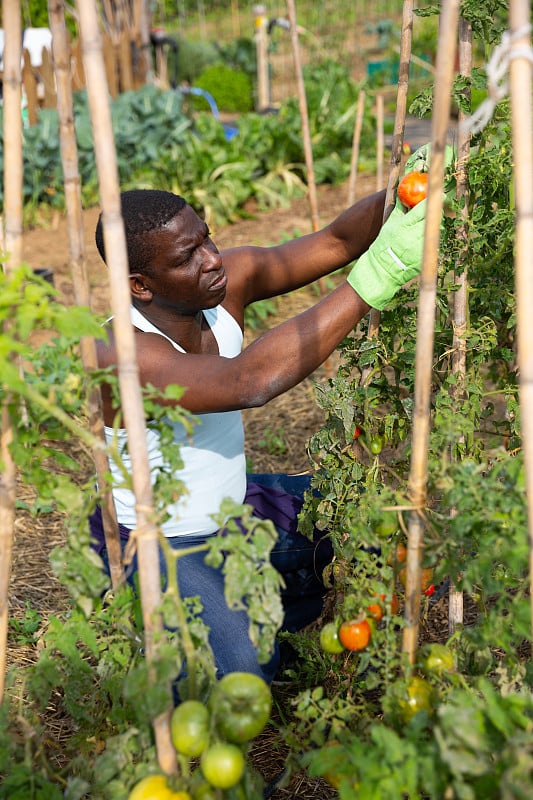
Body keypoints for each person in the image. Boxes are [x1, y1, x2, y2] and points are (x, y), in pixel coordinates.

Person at [89, 155, 429, 684]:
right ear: (139, 285)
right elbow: (247, 383)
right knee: (244, 672)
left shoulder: (228, 281)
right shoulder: (121, 353)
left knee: (381, 518)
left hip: (236, 510)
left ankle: (268, 614)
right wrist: (377, 277)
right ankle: (199, 645)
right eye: (189, 255)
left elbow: (338, 241)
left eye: (208, 238)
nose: (213, 260)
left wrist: (406, 194)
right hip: (160, 542)